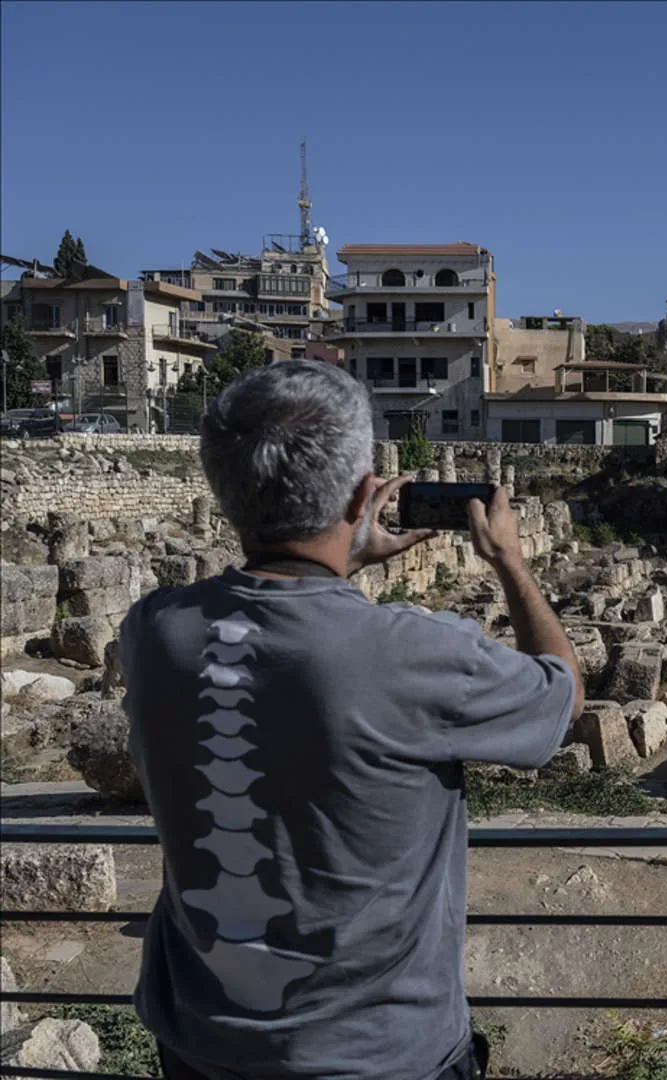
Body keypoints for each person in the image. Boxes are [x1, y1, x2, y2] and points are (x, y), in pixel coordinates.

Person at [120, 361, 584, 1080]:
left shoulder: (153, 631)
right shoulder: (416, 652)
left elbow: (290, 635)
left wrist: (338, 561)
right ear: (366, 493)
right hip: (380, 1056)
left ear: (222, 490)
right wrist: (510, 563)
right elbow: (560, 698)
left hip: (201, 1048)